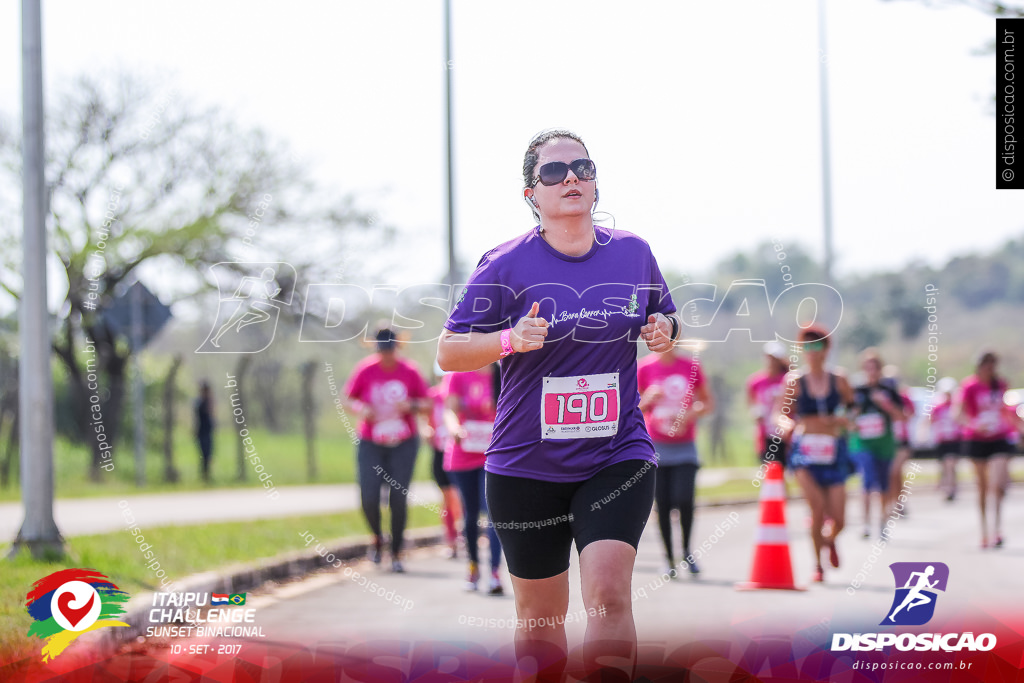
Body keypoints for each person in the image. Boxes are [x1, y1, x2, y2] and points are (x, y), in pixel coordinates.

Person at [436, 129, 680, 680]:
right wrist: (508, 339)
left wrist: (665, 329)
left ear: (594, 184)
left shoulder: (633, 253)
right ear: (531, 193)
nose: (570, 178)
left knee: (609, 596)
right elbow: (448, 352)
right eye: (553, 171)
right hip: (526, 465)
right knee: (542, 620)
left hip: (615, 454)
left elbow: (664, 316)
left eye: (582, 168)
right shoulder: (503, 265)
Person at [345, 326, 429, 573]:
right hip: (371, 441)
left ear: (397, 348)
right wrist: (362, 409)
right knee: (369, 496)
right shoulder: (365, 370)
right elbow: (347, 398)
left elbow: (426, 403)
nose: (386, 355)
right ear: (376, 349)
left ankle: (396, 551)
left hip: (403, 442)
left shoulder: (410, 371)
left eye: (390, 349)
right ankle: (377, 538)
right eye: (382, 350)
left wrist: (410, 405)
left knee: (398, 497)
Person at [779, 326, 855, 583]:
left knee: (840, 518)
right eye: (807, 347)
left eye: (817, 346)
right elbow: (779, 413)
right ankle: (817, 565)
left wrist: (844, 419)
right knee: (817, 508)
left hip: (834, 451)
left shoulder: (840, 379)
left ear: (826, 349)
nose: (812, 352)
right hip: (805, 452)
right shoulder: (794, 381)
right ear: (802, 350)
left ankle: (829, 540)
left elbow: (854, 409)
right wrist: (787, 425)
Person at [637, 345, 714, 577]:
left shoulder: (691, 366)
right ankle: (669, 558)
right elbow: (632, 408)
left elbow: (707, 403)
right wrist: (647, 400)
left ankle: (688, 552)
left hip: (685, 447)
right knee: (663, 504)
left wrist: (690, 414)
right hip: (656, 446)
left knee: (684, 499)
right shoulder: (644, 367)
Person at [443, 364, 505, 595]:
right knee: (470, 514)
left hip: (493, 455)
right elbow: (448, 410)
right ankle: (473, 568)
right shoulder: (459, 374)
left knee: (492, 513)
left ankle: (495, 572)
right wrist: (454, 428)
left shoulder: (503, 371)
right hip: (463, 453)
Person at [956, 351, 1021, 548]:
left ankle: (998, 530)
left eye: (993, 365)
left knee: (997, 483)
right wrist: (974, 425)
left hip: (999, 438)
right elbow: (958, 413)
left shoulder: (1000, 384)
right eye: (987, 365)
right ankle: (984, 531)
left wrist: (1018, 426)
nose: (990, 369)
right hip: (976, 439)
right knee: (982, 487)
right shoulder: (969, 386)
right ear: (979, 366)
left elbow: (1005, 409)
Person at [848, 349, 904, 540]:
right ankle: (864, 523)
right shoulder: (857, 391)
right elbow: (847, 416)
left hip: (884, 444)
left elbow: (902, 416)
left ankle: (882, 520)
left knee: (884, 485)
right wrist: (853, 417)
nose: (871, 371)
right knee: (867, 480)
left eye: (875, 367)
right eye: (867, 367)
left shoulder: (888, 390)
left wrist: (885, 404)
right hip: (863, 443)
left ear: (880, 369)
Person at [425, 365, 462, 559]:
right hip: (439, 452)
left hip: (459, 451)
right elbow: (426, 421)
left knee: (457, 497)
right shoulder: (432, 396)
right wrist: (426, 431)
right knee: (447, 497)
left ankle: (461, 534)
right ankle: (451, 539)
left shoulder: (459, 391)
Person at [747, 341, 790, 469]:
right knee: (771, 472)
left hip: (785, 433)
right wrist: (755, 413)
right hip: (765, 435)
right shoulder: (755, 382)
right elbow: (751, 404)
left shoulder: (788, 379)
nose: (771, 361)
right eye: (769, 358)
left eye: (775, 358)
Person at [930, 377, 962, 502]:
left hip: (954, 439)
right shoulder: (938, 407)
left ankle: (952, 488)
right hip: (942, 439)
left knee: (951, 464)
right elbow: (931, 421)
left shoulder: (956, 406)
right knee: (944, 465)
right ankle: (946, 486)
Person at [195, 380, 214, 483]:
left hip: (208, 431)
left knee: (209, 454)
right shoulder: (199, 402)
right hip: (202, 432)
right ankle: (204, 476)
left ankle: (207, 475)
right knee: (204, 454)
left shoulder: (208, 401)